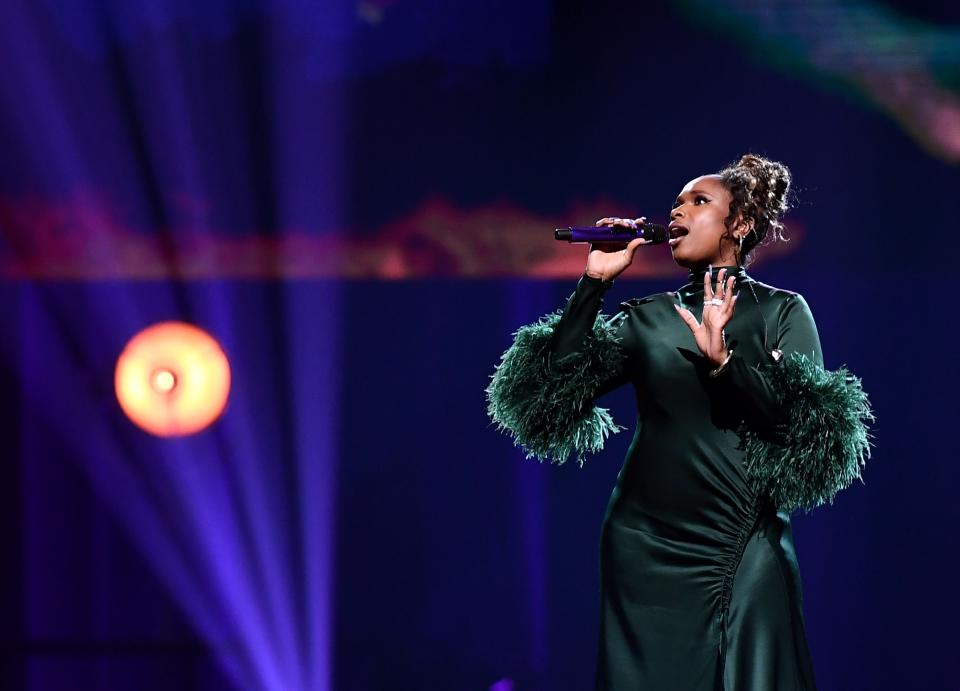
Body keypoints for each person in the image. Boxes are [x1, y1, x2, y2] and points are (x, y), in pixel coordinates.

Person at [486, 154, 873, 690]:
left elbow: (808, 432)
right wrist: (593, 285)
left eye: (699, 201)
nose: (678, 211)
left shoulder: (781, 312)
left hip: (740, 536)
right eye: (676, 202)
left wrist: (726, 366)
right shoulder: (647, 317)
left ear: (738, 224)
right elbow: (547, 394)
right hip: (644, 540)